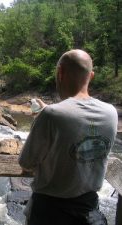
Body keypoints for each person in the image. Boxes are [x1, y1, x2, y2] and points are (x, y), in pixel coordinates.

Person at [19, 49, 118, 225]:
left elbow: (27, 163)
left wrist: (43, 117)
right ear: (91, 76)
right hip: (89, 211)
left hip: (49, 212)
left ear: (61, 72)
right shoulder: (111, 112)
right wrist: (47, 112)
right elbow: (78, 119)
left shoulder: (51, 115)